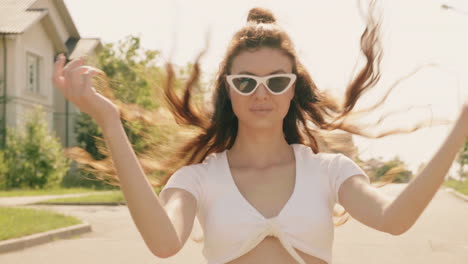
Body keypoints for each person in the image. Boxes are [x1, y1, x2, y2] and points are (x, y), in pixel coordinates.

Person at [52, 3, 468, 264]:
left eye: (277, 81)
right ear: (228, 91)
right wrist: (109, 121)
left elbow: (394, 220)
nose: (262, 93)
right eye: (246, 82)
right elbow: (163, 243)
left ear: (294, 88)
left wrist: (461, 124)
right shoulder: (198, 178)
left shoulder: (330, 171)